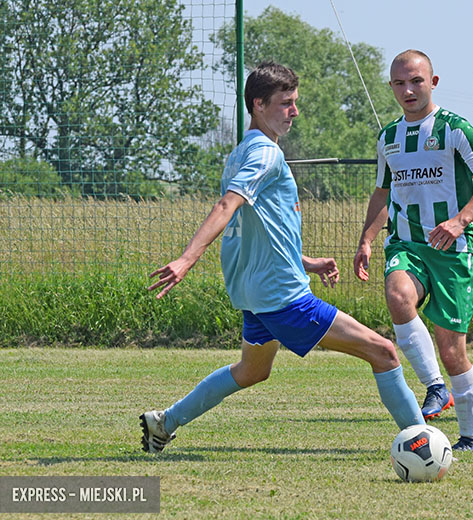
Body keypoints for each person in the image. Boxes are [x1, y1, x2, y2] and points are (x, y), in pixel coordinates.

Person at [139, 61, 424, 453]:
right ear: (258, 105)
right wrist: (188, 258)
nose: (295, 112)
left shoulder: (240, 153)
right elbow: (227, 206)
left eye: (295, 102)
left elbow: (258, 231)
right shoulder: (265, 155)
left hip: (256, 294)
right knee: (383, 351)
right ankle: (424, 443)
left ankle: (164, 422)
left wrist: (305, 261)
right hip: (282, 297)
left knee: (252, 370)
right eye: (286, 103)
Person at [353, 50, 473, 451]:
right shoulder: (388, 138)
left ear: (432, 83)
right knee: (398, 295)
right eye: (400, 83)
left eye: (416, 81)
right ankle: (435, 385)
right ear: (392, 87)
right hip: (406, 244)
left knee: (453, 351)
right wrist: (367, 239)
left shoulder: (455, 129)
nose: (408, 90)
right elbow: (383, 192)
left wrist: (460, 221)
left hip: (452, 249)